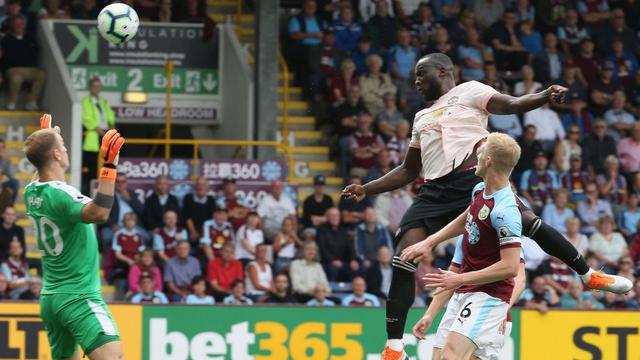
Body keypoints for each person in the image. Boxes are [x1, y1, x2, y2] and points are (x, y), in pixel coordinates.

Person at [341, 54, 630, 357]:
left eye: (421, 74)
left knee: (530, 223)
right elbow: (408, 171)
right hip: (433, 192)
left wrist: (544, 95)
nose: (416, 81)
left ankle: (588, 276)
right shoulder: (421, 118)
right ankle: (394, 347)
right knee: (403, 257)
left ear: (442, 71)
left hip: (473, 179)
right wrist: (366, 188)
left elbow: (512, 104)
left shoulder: (471, 91)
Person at [408, 133, 523, 359]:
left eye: (480, 152)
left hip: (489, 296)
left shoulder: (506, 211)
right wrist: (430, 241)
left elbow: (511, 268)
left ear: (489, 160)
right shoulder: (479, 190)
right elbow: (467, 218)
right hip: (463, 293)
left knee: (451, 355)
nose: (475, 157)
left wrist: (458, 279)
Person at [23, 114, 125, 358]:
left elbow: (40, 170)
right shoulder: (63, 194)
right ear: (57, 155)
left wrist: (47, 137)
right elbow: (99, 213)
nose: (66, 150)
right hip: (78, 296)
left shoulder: (31, 191)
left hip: (51, 299)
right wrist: (109, 167)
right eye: (63, 146)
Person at [412, 233, 527, 360]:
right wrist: (429, 314)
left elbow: (520, 279)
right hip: (459, 302)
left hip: (488, 306)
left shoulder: (504, 233)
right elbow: (449, 278)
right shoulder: (465, 236)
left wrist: (503, 310)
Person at [1, 15, 46, 111]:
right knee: (17, 78)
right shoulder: (6, 40)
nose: (19, 26)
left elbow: (35, 53)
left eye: (21, 24)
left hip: (29, 69)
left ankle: (31, 102)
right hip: (13, 69)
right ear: (12, 26)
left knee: (41, 74)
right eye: (17, 24)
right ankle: (11, 103)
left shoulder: (30, 38)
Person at [81, 77, 115, 193]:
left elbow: (110, 115)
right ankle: (90, 192)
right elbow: (86, 118)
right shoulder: (86, 101)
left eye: (99, 86)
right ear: (90, 88)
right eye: (94, 86)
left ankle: (103, 190)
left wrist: (111, 126)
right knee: (92, 167)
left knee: (106, 164)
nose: (97, 89)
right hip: (93, 137)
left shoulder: (103, 101)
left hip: (105, 135)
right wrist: (97, 128)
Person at [101, 173, 145, 248]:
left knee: (145, 236)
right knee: (107, 237)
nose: (120, 184)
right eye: (118, 181)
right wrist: (112, 225)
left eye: (123, 181)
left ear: (126, 183)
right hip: (114, 226)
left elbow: (141, 211)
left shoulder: (132, 194)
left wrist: (130, 200)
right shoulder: (108, 194)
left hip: (132, 226)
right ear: (114, 183)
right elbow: (102, 213)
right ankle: (108, 258)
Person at [316, 207, 358, 281]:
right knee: (333, 270)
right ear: (328, 217)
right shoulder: (321, 230)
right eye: (332, 215)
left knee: (355, 268)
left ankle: (352, 292)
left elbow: (350, 247)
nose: (335, 218)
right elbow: (322, 249)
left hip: (342, 262)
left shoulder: (344, 231)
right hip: (327, 262)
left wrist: (353, 259)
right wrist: (333, 261)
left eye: (337, 215)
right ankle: (332, 291)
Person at [111, 212, 145, 282]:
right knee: (131, 268)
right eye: (127, 220)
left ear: (135, 222)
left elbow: (142, 251)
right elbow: (118, 255)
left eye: (132, 220)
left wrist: (138, 258)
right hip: (123, 261)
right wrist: (129, 261)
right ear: (124, 221)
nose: (130, 222)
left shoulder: (139, 235)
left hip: (136, 260)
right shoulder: (119, 234)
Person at [361, 54, 397, 121]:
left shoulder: (385, 76)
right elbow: (365, 97)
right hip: (373, 109)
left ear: (380, 65)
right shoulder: (363, 79)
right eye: (372, 63)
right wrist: (384, 96)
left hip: (389, 107)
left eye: (376, 63)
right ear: (368, 65)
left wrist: (378, 92)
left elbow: (393, 89)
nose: (374, 65)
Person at [183, 177, 216, 246]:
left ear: (207, 187)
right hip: (191, 230)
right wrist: (193, 232)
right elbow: (187, 217)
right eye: (198, 185)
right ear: (195, 187)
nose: (201, 187)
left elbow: (212, 219)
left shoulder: (211, 200)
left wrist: (204, 233)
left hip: (206, 230)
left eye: (203, 185)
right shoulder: (188, 198)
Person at [0, 139, 18, 203]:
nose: (0, 150)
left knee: (14, 182)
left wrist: (8, 161)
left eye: (2, 147)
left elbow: (12, 175)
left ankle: (10, 206)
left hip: (1, 184)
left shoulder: (4, 161)